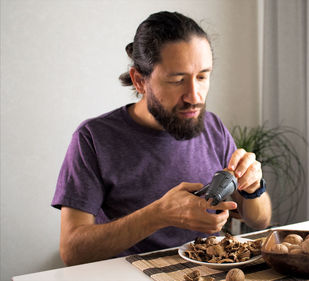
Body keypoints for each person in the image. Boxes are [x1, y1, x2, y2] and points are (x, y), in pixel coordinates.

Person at [51, 11, 272, 266]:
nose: (195, 96)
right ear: (139, 80)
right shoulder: (93, 138)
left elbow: (260, 221)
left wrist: (255, 187)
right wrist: (160, 214)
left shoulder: (213, 127)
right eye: (178, 80)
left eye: (202, 77)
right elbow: (72, 252)